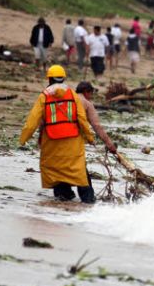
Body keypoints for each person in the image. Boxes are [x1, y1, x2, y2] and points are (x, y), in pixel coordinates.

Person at [19, 65, 96, 203]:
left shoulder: (43, 96)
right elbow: (82, 119)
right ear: (63, 78)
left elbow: (32, 121)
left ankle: (64, 197)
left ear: (49, 79)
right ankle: (88, 200)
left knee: (56, 170)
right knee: (78, 170)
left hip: (52, 140)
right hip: (73, 141)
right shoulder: (72, 94)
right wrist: (89, 137)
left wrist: (23, 139)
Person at [75, 81, 118, 155]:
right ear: (86, 92)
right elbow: (96, 125)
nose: (91, 97)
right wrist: (110, 144)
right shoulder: (87, 103)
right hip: (73, 139)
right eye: (91, 94)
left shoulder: (68, 99)